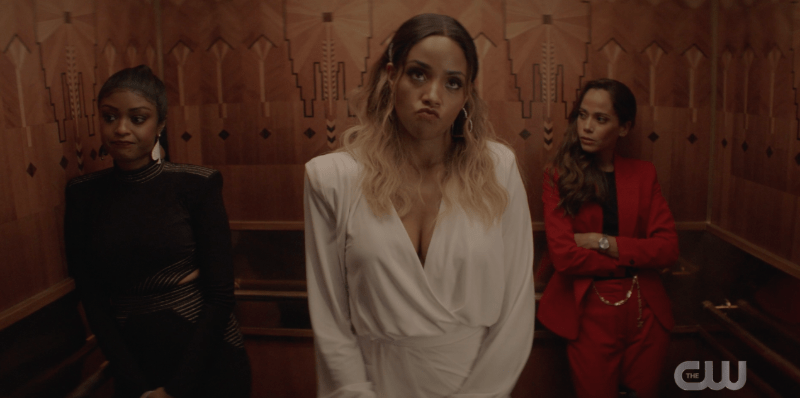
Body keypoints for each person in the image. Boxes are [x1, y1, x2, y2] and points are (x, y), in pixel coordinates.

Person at [303, 13, 535, 398]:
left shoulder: (498, 171)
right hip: (375, 383)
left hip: (476, 383)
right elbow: (330, 316)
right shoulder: (332, 178)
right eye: (418, 74)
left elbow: (516, 309)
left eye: (453, 82)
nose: (433, 94)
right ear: (391, 75)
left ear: (466, 95)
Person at [64, 65, 251, 398]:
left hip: (208, 361)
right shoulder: (82, 194)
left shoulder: (197, 184)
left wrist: (176, 389)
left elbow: (221, 294)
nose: (121, 129)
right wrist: (135, 384)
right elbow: (91, 297)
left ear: (160, 125)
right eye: (109, 117)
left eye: (137, 118)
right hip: (134, 363)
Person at [537, 78, 679, 398]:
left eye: (600, 119)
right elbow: (564, 255)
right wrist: (632, 261)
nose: (586, 127)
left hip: (647, 311)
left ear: (624, 127)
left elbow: (669, 248)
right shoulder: (558, 175)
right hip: (589, 309)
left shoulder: (644, 174)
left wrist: (605, 242)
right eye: (582, 116)